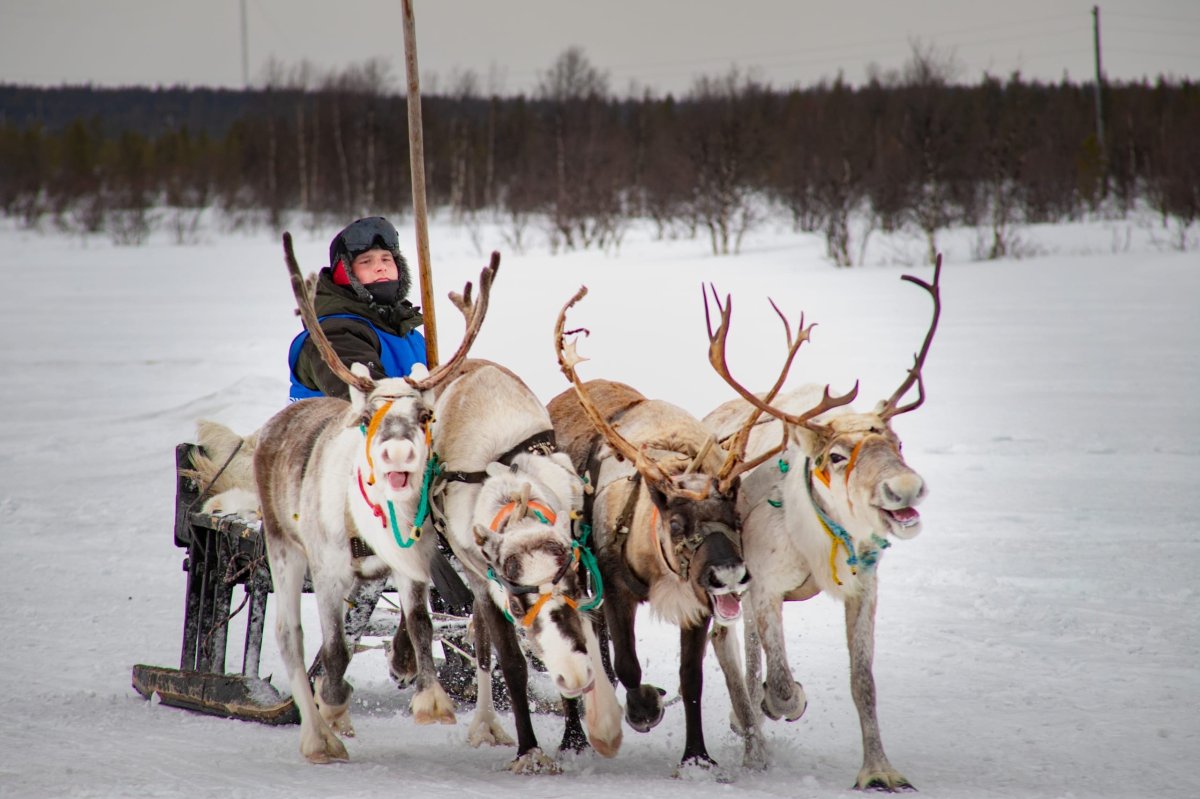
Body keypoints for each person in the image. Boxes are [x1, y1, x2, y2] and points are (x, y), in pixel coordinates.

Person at [288, 216, 427, 401]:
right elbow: (375, 404)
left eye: (386, 259)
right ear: (343, 273)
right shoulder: (332, 335)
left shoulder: (407, 332)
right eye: (366, 261)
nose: (380, 268)